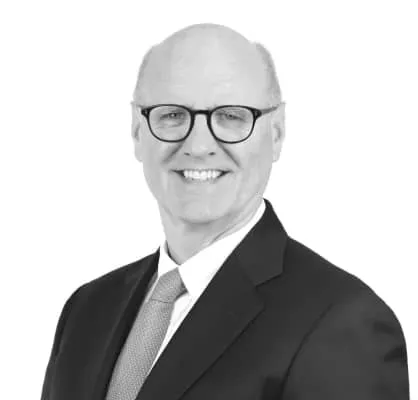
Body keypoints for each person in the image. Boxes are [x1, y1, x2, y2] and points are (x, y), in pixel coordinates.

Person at [40, 23, 409, 400]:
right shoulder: (87, 311)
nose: (199, 145)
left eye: (232, 116)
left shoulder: (342, 321)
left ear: (277, 133)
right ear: (137, 131)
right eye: (172, 115)